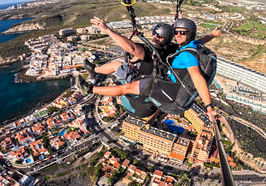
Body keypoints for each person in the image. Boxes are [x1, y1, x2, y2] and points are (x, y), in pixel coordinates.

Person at [77, 18, 219, 121]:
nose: (178, 35)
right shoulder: (181, 47)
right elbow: (202, 40)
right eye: (176, 32)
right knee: (116, 64)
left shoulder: (184, 55)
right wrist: (212, 35)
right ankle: (94, 70)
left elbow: (197, 77)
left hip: (159, 85)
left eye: (182, 32)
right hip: (165, 81)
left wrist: (209, 106)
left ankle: (89, 89)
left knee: (125, 86)